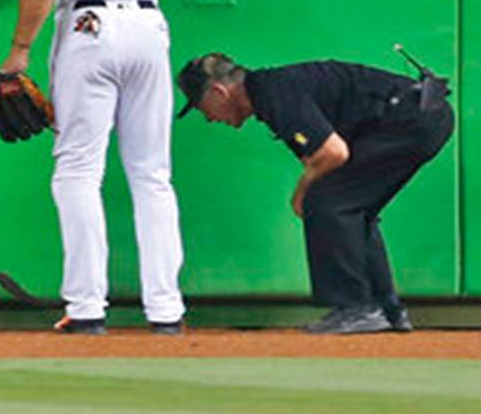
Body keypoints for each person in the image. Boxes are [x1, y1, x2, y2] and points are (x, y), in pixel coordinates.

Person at [0, 0, 185, 334]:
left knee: (79, 170)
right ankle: (166, 310)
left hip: (90, 26)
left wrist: (19, 53)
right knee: (152, 174)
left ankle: (85, 308)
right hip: (149, 27)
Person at [175, 52, 454, 334]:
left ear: (218, 91)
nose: (209, 118)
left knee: (327, 202)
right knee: (352, 208)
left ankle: (357, 308)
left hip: (410, 119)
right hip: (422, 116)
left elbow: (333, 153)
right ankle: (387, 309)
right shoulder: (269, 94)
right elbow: (320, 158)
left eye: (202, 107)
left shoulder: (273, 93)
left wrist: (300, 194)